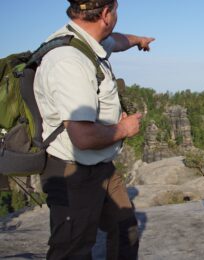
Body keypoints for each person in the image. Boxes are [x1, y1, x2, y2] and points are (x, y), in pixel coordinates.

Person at [33, 0, 155, 259]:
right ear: (106, 13)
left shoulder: (89, 41)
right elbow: (83, 137)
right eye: (116, 9)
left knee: (125, 229)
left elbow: (117, 41)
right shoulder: (69, 60)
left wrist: (138, 40)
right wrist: (124, 128)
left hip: (100, 166)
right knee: (72, 249)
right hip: (72, 171)